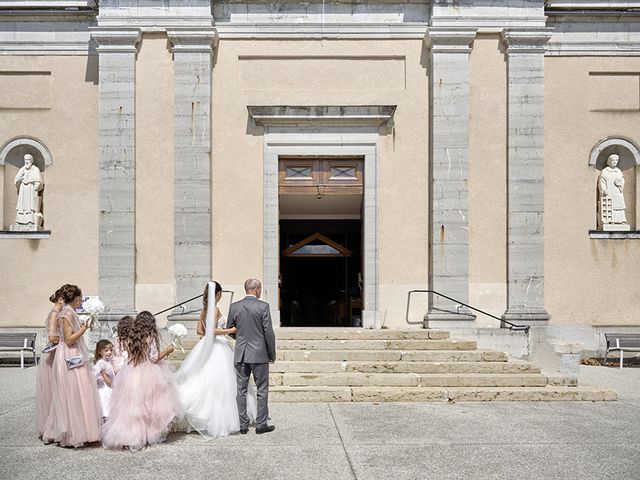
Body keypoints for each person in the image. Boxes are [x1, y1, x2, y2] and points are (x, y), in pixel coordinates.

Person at [175, 281, 256, 438]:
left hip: (205, 345)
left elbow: (200, 330)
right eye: (220, 294)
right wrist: (230, 330)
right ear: (218, 294)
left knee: (203, 378)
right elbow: (212, 330)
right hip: (218, 347)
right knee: (222, 383)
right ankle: (220, 420)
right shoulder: (215, 309)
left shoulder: (204, 310)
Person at [102, 311, 181, 451]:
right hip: (147, 373)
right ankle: (148, 434)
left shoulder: (131, 336)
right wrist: (168, 351)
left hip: (130, 372)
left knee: (131, 408)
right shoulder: (149, 337)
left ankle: (128, 436)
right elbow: (153, 358)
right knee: (150, 406)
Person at [41, 284, 103, 447]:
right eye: (80, 297)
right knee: (73, 392)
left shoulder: (69, 312)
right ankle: (70, 432)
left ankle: (78, 429)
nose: (81, 300)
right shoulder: (67, 314)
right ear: (75, 299)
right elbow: (69, 339)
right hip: (70, 355)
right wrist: (84, 328)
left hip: (72, 353)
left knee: (77, 391)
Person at [227, 278, 276, 435]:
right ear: (257, 289)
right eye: (260, 289)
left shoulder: (234, 306)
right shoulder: (263, 306)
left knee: (240, 390)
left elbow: (230, 329)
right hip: (259, 353)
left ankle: (243, 425)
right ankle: (261, 424)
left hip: (241, 353)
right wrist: (271, 353)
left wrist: (240, 340)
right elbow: (268, 332)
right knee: (262, 388)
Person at [35, 287, 65, 438]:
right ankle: (51, 428)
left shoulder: (59, 314)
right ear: (60, 300)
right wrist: (69, 338)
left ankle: (56, 425)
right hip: (52, 355)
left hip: (56, 353)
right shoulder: (54, 314)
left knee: (56, 392)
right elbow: (52, 338)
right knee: (54, 392)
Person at [14, 153, 44, 228]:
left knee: (30, 205)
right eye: (25, 160)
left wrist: (36, 184)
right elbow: (16, 180)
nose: (26, 161)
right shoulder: (22, 169)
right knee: (22, 205)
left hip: (31, 190)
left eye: (28, 160)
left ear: (32, 161)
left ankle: (30, 220)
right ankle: (19, 221)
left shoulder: (35, 169)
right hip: (23, 189)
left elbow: (39, 181)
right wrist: (20, 178)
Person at [598, 153, 628, 226]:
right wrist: (604, 190)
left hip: (617, 192)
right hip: (609, 192)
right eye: (613, 160)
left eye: (616, 160)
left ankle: (620, 220)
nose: (614, 162)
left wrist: (620, 184)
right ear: (609, 161)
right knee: (609, 206)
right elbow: (602, 181)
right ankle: (608, 220)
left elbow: (622, 180)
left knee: (618, 206)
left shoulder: (619, 171)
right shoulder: (605, 171)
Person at [93, 339, 114, 419]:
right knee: (106, 410)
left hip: (108, 389)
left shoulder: (108, 362)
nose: (109, 352)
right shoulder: (101, 364)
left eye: (111, 350)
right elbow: (108, 381)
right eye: (106, 350)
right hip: (105, 390)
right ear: (99, 352)